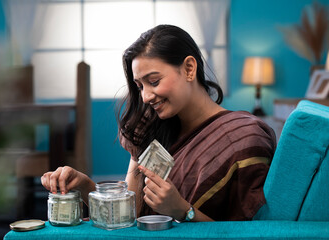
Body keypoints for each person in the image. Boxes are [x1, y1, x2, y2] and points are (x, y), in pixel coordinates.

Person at [41, 24, 276, 222]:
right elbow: (128, 216)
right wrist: (84, 186)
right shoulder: (149, 126)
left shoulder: (243, 137)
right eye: (140, 86)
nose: (145, 97)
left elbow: (252, 232)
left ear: (189, 68)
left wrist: (182, 210)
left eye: (154, 81)